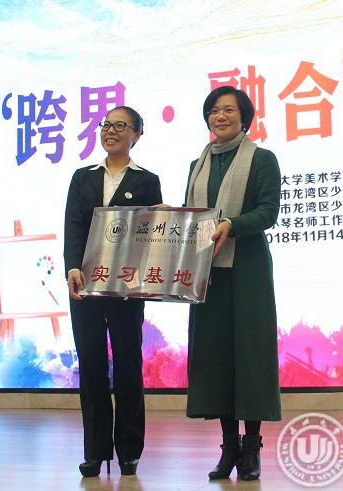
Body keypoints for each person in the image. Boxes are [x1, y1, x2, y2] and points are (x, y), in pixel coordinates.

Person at [185, 86, 282, 481]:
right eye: (214, 110)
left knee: (250, 356)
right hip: (207, 272)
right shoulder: (197, 163)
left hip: (247, 270)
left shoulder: (262, 159)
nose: (220, 116)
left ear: (244, 118)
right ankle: (229, 447)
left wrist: (232, 224)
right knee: (216, 357)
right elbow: (192, 216)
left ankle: (252, 446)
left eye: (228, 110)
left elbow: (268, 212)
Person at [64, 106, 162, 477]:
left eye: (121, 125)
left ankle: (129, 451)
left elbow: (154, 233)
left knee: (127, 366)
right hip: (86, 285)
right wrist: (72, 266)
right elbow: (73, 225)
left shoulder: (147, 180)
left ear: (137, 135)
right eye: (106, 124)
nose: (111, 131)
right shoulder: (83, 176)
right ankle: (95, 450)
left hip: (127, 287)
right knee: (91, 366)